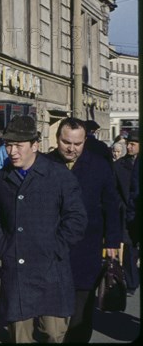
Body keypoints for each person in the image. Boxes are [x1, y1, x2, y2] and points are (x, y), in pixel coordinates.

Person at [0, 115, 87, 343]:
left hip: (51, 271)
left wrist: (55, 248)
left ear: (34, 145)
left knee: (53, 333)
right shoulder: (0, 179)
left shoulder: (59, 176)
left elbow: (77, 219)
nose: (12, 151)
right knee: (20, 337)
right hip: (17, 273)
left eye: (18, 146)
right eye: (8, 145)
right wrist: (3, 247)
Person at [45, 117, 121, 343]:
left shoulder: (100, 166)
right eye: (66, 142)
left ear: (85, 141)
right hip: (50, 250)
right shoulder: (44, 164)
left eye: (77, 144)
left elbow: (111, 206)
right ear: (57, 138)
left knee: (80, 313)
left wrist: (112, 243)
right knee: (50, 316)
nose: (71, 148)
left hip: (86, 249)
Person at [114, 131, 140, 295]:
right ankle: (131, 283)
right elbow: (114, 191)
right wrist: (121, 206)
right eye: (128, 144)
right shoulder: (119, 166)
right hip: (127, 214)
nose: (129, 147)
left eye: (133, 144)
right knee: (130, 251)